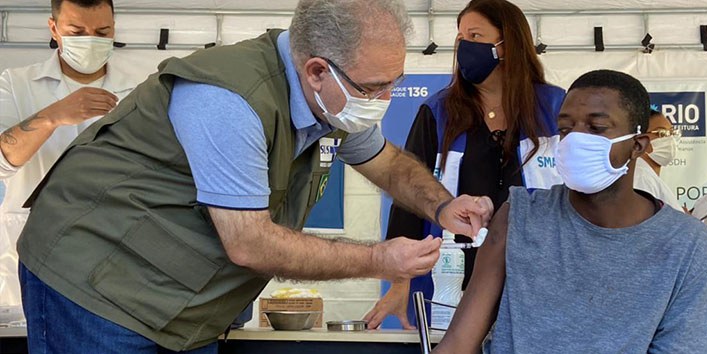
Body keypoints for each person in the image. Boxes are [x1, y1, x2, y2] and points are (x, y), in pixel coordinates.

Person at [15, 0, 494, 352]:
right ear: (315, 70)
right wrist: (380, 260)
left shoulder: (333, 101)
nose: (387, 97)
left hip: (180, 306)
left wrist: (441, 205)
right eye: (374, 86)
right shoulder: (230, 100)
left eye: (394, 81)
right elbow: (250, 243)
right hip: (94, 286)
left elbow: (385, 161)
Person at [434, 70, 707, 354]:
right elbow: (459, 344)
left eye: (596, 128)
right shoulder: (519, 218)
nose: (575, 139)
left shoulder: (689, 248)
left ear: (637, 145)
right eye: (565, 128)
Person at [363, 0, 564, 330]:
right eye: (460, 37)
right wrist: (399, 283)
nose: (464, 45)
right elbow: (408, 202)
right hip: (451, 284)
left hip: (538, 284)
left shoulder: (555, 108)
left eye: (475, 34)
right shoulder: (438, 112)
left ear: (508, 45)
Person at [0, 0, 132, 314]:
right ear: (54, 29)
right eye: (77, 31)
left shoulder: (141, 87)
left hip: (116, 256)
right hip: (31, 251)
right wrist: (52, 116)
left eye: (103, 31)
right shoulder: (15, 84)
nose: (91, 40)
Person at [633, 110, 683, 210]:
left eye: (672, 132)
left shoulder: (648, 175)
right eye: (661, 133)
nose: (670, 139)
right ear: (640, 139)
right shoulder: (640, 176)